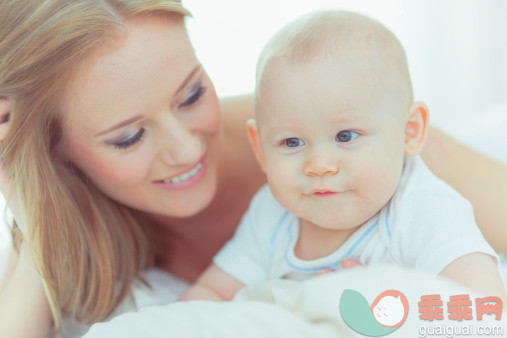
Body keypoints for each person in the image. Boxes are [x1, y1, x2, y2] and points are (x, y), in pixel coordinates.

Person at [0, 1, 505, 337]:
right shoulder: (272, 213)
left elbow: (481, 307)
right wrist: (23, 193)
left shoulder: (391, 167)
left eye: (192, 94)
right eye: (129, 136)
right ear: (55, 150)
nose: (185, 150)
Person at [179, 10, 506, 302]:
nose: (319, 165)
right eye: (292, 142)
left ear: (409, 131)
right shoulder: (271, 215)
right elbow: (213, 292)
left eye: (345, 136)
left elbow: (484, 310)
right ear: (260, 149)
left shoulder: (424, 212)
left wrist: (392, 309)